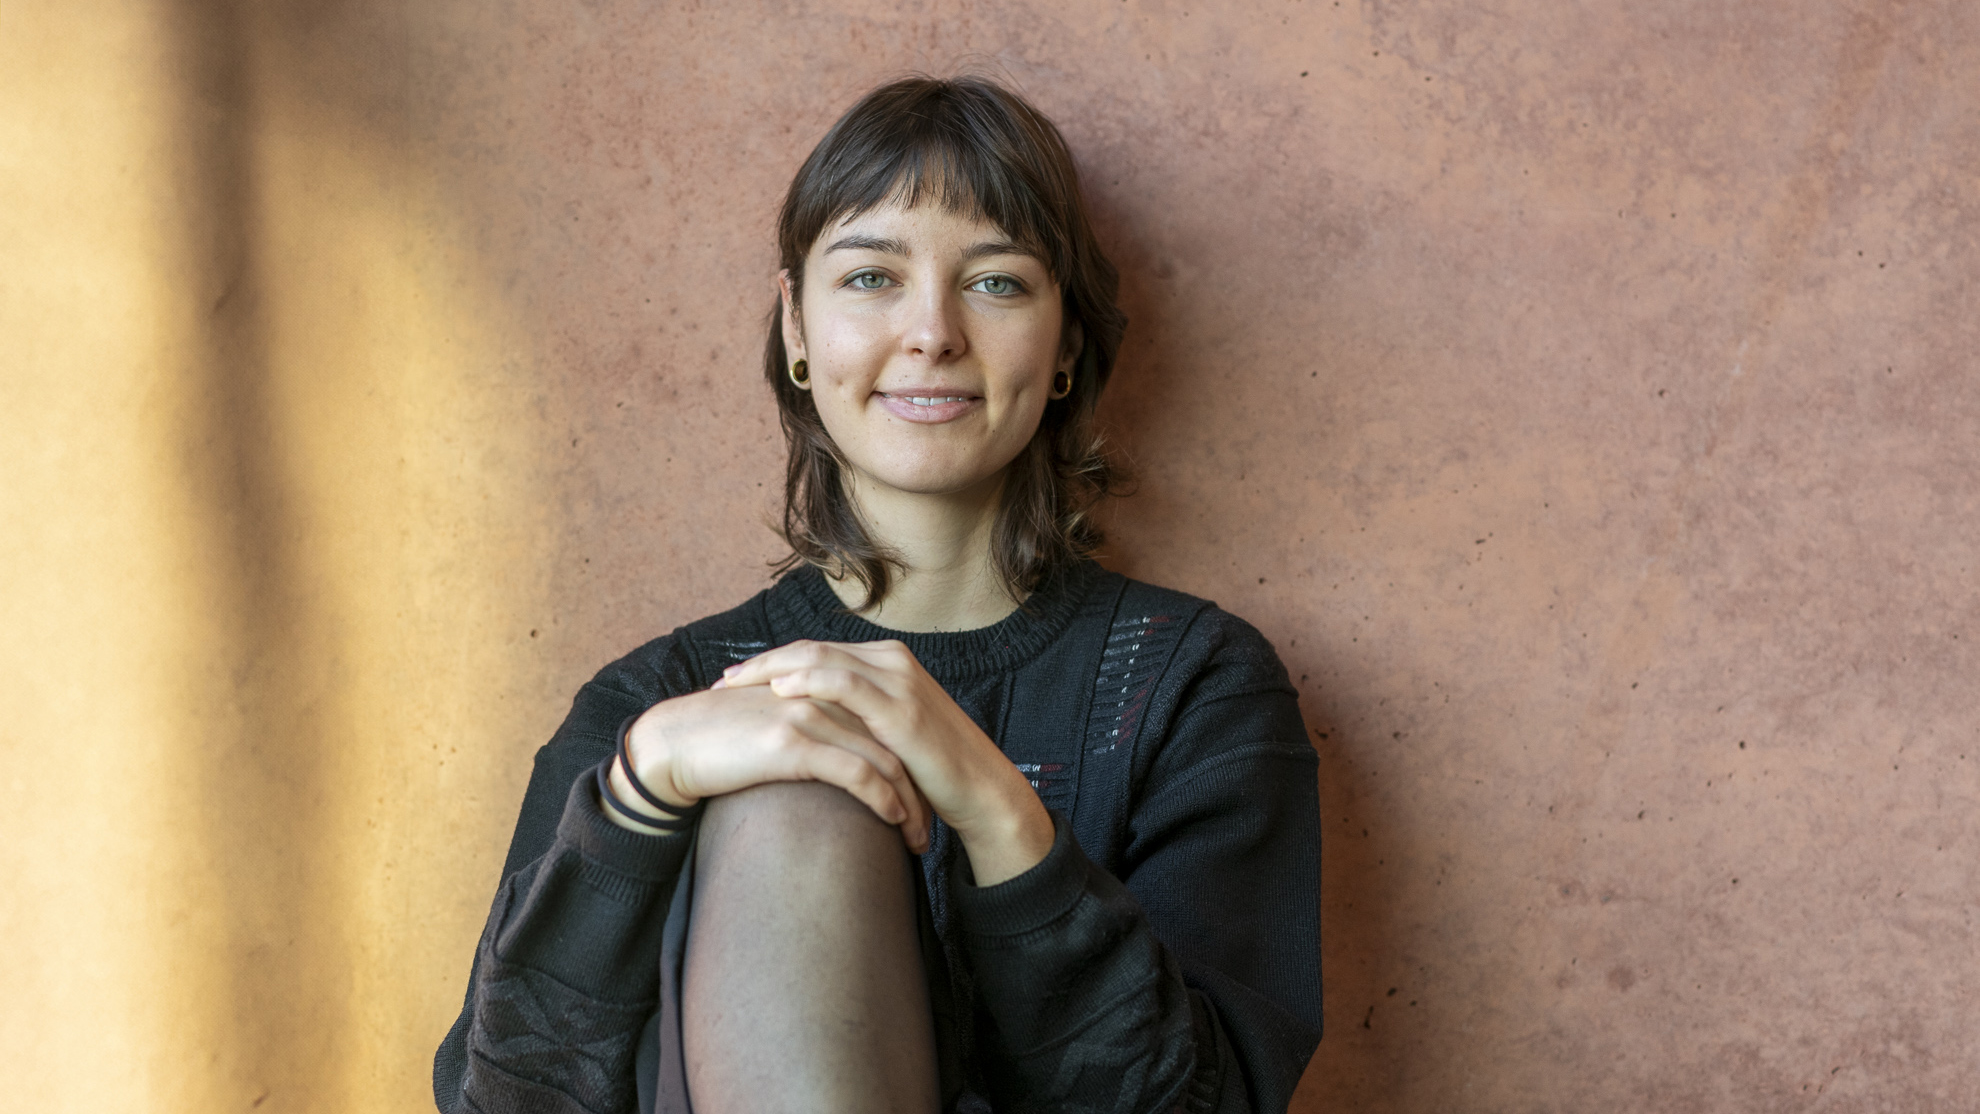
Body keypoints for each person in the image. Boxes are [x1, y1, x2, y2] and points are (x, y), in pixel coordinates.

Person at [433, 75, 1321, 1114]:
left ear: (1067, 345)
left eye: (997, 283)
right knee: (789, 789)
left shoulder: (1194, 687)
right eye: (870, 277)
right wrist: (636, 800)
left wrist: (993, 806)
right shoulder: (657, 703)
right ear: (797, 329)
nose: (932, 331)